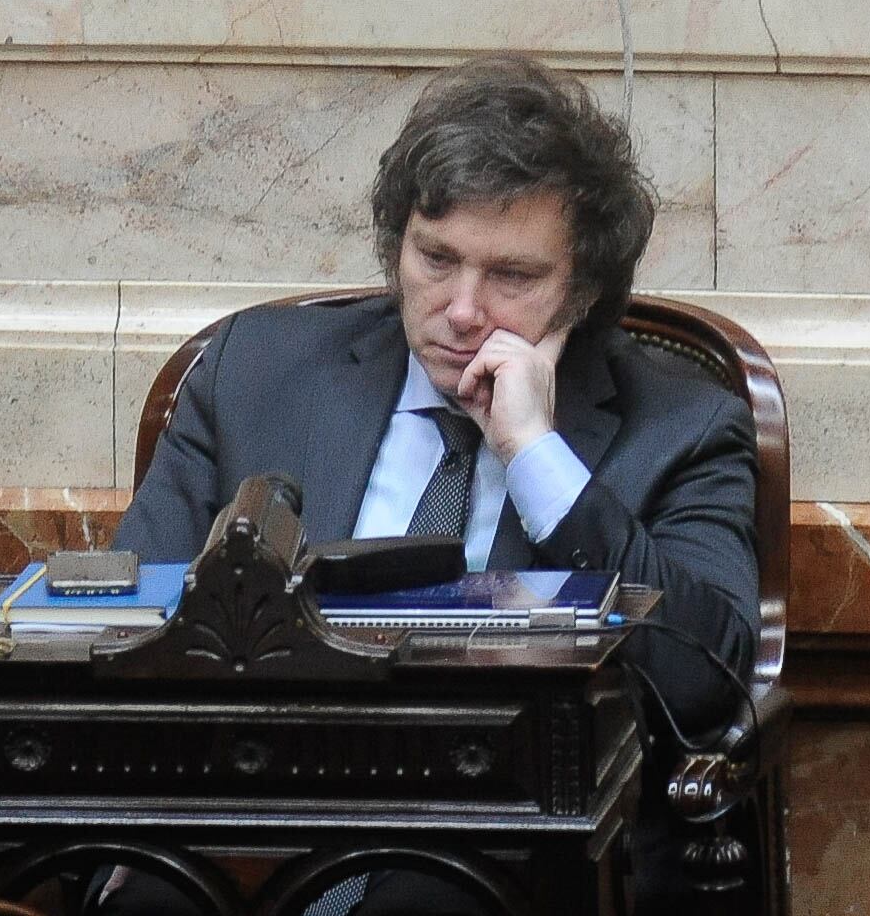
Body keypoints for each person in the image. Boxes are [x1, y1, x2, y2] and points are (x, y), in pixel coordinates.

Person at [112, 56, 758, 914]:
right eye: (436, 258)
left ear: (585, 288)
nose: (461, 309)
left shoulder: (681, 422)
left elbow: (703, 680)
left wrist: (537, 456)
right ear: (396, 248)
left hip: (512, 834)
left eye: (513, 277)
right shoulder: (252, 373)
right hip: (250, 812)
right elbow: (124, 622)